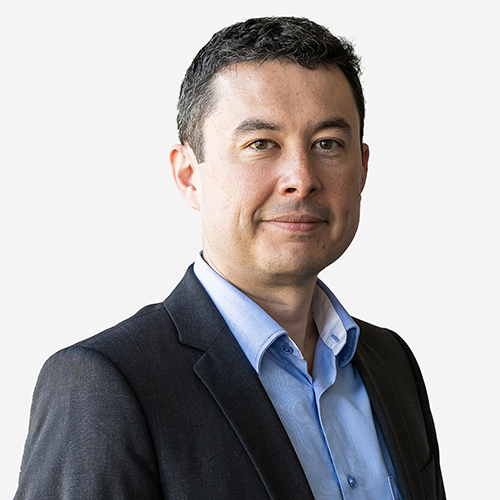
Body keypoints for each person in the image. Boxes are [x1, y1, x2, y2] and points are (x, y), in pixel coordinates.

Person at [14, 16, 445, 500]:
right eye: (261, 144)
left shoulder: (392, 364)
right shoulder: (102, 385)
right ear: (188, 175)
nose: (301, 178)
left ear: (362, 168)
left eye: (327, 143)